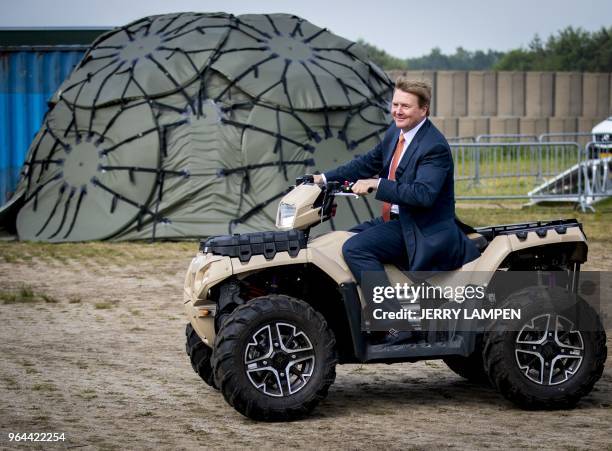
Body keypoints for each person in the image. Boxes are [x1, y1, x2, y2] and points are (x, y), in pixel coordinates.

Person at [313, 78, 480, 345]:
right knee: (342, 239)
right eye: (395, 104)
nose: (398, 111)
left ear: (423, 110)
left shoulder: (433, 146)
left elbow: (423, 195)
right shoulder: (396, 133)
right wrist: (322, 178)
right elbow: (366, 162)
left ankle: (396, 325)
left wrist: (378, 184)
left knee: (356, 249)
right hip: (399, 221)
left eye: (406, 106)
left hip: (423, 228)